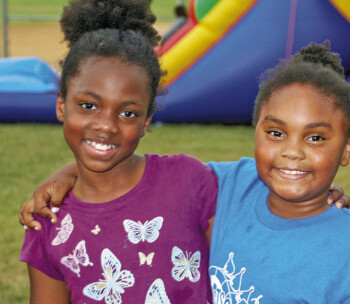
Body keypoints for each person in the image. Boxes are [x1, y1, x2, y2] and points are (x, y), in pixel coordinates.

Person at [19, 0, 218, 302]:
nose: (106, 125)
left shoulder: (190, 181)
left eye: (127, 113)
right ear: (61, 105)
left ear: (146, 121)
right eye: (89, 106)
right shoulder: (47, 219)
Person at [206, 42, 350, 303]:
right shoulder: (226, 186)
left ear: (347, 149)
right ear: (254, 131)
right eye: (276, 133)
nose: (292, 152)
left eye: (315, 138)